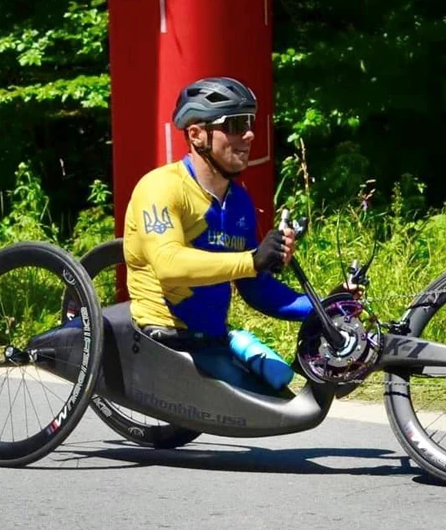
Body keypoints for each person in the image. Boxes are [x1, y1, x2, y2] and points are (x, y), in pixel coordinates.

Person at [122, 76, 313, 393]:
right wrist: (253, 259)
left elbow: (256, 288)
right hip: (166, 336)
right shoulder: (161, 186)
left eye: (249, 122)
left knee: (284, 387)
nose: (249, 133)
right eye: (236, 124)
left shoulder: (239, 202)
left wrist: (325, 308)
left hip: (212, 338)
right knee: (274, 411)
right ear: (196, 135)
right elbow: (169, 264)